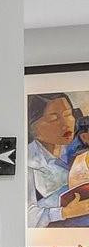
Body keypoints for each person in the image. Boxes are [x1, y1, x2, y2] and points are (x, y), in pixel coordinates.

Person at [29, 90, 88, 227]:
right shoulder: (28, 162)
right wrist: (65, 212)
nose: (66, 124)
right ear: (32, 126)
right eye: (53, 119)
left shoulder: (80, 146)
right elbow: (25, 217)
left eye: (68, 115)